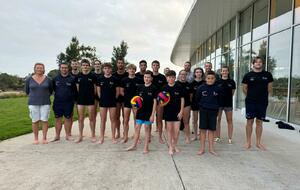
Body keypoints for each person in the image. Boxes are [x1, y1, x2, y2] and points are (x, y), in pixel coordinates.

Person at [242, 56, 273, 150]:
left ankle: (258, 142)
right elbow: (244, 88)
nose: (258, 63)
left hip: (262, 102)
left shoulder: (268, 75)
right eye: (256, 62)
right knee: (249, 122)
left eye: (260, 62)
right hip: (250, 102)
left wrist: (262, 97)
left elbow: (270, 88)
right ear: (253, 64)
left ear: (262, 64)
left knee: (259, 122)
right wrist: (251, 96)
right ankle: (248, 142)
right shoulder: (248, 75)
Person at [126, 70, 157, 153]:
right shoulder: (140, 87)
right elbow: (136, 100)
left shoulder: (154, 88)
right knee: (137, 128)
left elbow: (155, 102)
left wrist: (152, 115)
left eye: (148, 77)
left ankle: (146, 147)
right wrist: (135, 109)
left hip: (148, 112)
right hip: (140, 112)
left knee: (147, 129)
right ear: (143, 78)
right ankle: (134, 145)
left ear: (151, 78)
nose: (146, 79)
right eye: (145, 77)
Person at [25, 63, 53, 144]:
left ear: (43, 69)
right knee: (35, 121)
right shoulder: (29, 79)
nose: (39, 69)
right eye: (38, 68)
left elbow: (51, 91)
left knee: (45, 120)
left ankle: (44, 138)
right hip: (33, 103)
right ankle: (36, 138)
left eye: (41, 68)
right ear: (35, 69)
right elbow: (27, 91)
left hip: (45, 102)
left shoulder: (49, 79)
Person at [196, 71, 220, 156]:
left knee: (211, 130)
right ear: (205, 78)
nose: (210, 80)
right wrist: (203, 106)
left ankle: (211, 149)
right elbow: (197, 99)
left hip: (213, 111)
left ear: (215, 79)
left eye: (212, 78)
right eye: (208, 78)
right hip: (203, 111)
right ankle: (202, 149)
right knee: (202, 130)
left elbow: (220, 100)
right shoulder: (201, 88)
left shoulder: (218, 88)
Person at [52, 62, 77, 141]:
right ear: (60, 68)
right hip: (58, 102)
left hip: (68, 103)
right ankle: (57, 136)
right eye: (62, 67)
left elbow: (75, 91)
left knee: (68, 119)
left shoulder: (72, 79)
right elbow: (53, 90)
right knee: (57, 119)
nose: (64, 69)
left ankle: (68, 135)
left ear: (68, 68)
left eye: (65, 68)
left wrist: (74, 101)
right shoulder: (55, 79)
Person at [162, 70, 184, 155]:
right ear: (167, 78)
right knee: (169, 130)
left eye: (172, 77)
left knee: (177, 131)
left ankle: (174, 145)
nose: (171, 79)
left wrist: (181, 111)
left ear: (175, 78)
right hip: (168, 112)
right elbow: (161, 100)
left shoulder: (179, 87)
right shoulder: (164, 88)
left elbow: (182, 99)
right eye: (169, 77)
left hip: (177, 112)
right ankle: (171, 146)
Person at [120, 64, 143, 143]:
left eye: (133, 69)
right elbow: (121, 91)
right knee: (125, 120)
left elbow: (141, 91)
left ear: (135, 70)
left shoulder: (139, 80)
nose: (132, 70)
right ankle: (125, 137)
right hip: (127, 103)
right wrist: (127, 98)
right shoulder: (124, 80)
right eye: (130, 69)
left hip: (136, 104)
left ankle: (137, 137)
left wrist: (137, 99)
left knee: (136, 120)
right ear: (127, 70)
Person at [75, 59, 97, 143]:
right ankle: (80, 136)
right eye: (83, 65)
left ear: (89, 66)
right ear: (81, 66)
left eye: (87, 65)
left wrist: (92, 97)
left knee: (91, 118)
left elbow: (95, 89)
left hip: (90, 100)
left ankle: (93, 135)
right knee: (80, 119)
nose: (85, 67)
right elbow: (77, 89)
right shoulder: (78, 76)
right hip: (81, 100)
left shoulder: (93, 76)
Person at [96, 63, 119, 144]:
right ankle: (101, 138)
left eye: (108, 68)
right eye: (105, 68)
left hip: (112, 102)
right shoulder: (99, 79)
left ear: (111, 69)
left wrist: (113, 99)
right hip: (103, 103)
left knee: (113, 120)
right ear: (103, 69)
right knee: (103, 120)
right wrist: (102, 99)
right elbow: (98, 92)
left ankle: (113, 137)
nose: (107, 70)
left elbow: (117, 92)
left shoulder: (115, 79)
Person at [215, 66, 236, 144]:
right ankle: (217, 137)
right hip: (219, 104)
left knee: (229, 120)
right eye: (223, 71)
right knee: (218, 120)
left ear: (228, 72)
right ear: (221, 72)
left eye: (226, 71)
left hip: (228, 104)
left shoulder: (232, 82)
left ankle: (230, 138)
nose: (224, 72)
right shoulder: (217, 82)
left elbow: (232, 93)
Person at [152, 60, 167, 144]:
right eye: (154, 65)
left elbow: (165, 90)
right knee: (149, 119)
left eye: (157, 65)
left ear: (159, 66)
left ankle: (160, 137)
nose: (155, 66)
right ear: (152, 66)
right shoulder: (149, 76)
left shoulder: (162, 77)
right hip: (150, 100)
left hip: (159, 101)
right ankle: (149, 135)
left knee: (159, 119)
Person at [113, 58, 128, 140]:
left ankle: (125, 133)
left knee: (125, 117)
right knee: (117, 117)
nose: (120, 64)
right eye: (119, 63)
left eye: (122, 63)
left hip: (125, 98)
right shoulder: (113, 75)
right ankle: (118, 132)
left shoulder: (127, 74)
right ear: (117, 64)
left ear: (124, 64)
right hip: (116, 99)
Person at [176, 70, 192, 144]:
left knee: (186, 122)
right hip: (177, 105)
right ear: (179, 75)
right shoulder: (175, 84)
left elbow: (191, 96)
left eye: (185, 74)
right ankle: (175, 138)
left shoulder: (189, 85)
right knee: (177, 122)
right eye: (181, 74)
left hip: (186, 105)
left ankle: (187, 137)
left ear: (186, 75)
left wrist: (189, 105)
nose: (183, 75)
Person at [190, 67, 205, 141]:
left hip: (203, 104)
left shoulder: (205, 83)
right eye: (197, 72)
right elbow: (191, 96)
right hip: (195, 104)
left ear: (202, 73)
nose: (199, 73)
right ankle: (195, 135)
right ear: (195, 74)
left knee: (202, 120)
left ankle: (201, 135)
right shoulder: (192, 84)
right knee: (194, 120)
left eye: (200, 72)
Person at [70, 59, 80, 135]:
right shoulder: (69, 75)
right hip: (70, 97)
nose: (74, 65)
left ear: (78, 65)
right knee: (70, 115)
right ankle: (69, 132)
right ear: (71, 65)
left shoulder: (81, 75)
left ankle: (80, 132)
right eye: (73, 64)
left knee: (80, 115)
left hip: (80, 98)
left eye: (76, 64)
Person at [92, 60, 102, 132]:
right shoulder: (91, 75)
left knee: (102, 116)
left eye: (98, 64)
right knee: (94, 115)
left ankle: (102, 132)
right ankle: (93, 132)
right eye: (96, 64)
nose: (97, 65)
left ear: (100, 65)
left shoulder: (104, 73)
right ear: (94, 66)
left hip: (103, 97)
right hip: (94, 97)